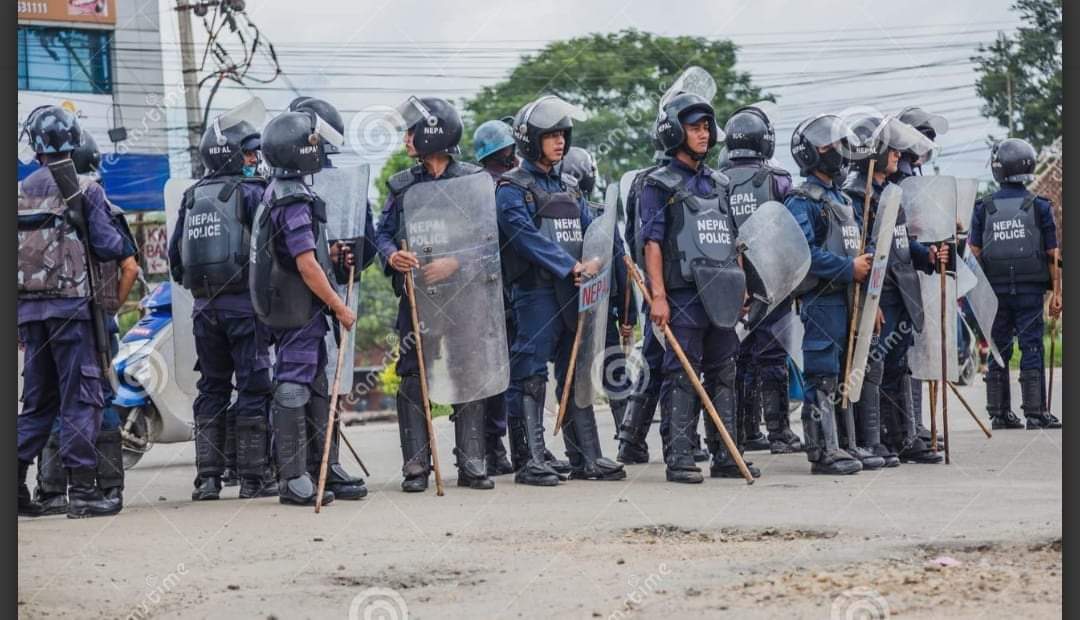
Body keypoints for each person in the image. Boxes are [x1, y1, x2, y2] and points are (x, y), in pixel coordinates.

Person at [496, 95, 627, 486]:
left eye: (562, 135)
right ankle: (532, 459)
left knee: (576, 370)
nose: (559, 143)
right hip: (535, 295)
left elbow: (592, 230)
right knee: (531, 374)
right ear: (530, 139)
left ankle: (586, 456)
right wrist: (570, 265)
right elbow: (526, 239)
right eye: (550, 135)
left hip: (575, 294)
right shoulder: (511, 188)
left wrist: (601, 257)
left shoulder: (569, 188)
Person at [375, 96, 499, 492]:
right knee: (413, 375)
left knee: (469, 371)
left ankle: (472, 462)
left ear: (433, 134)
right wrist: (392, 254)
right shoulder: (401, 185)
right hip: (417, 296)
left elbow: (490, 241)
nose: (406, 139)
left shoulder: (473, 181)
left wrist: (456, 263)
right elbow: (380, 233)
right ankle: (416, 466)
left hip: (465, 297)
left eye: (412, 131)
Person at [637, 91, 756, 483]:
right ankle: (680, 457)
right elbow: (651, 243)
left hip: (722, 293)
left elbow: (733, 238)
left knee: (724, 371)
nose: (703, 134)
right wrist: (657, 296)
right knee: (681, 376)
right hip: (683, 294)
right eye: (694, 128)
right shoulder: (657, 183)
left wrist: (740, 287)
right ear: (675, 132)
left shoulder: (720, 183)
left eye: (706, 127)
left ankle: (726, 454)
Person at [18, 105, 130, 517]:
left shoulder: (17, 190)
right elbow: (109, 248)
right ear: (75, 140)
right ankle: (82, 490)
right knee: (80, 401)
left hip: (28, 315)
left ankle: (14, 488)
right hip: (72, 311)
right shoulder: (86, 189)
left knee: (36, 405)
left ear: (35, 145)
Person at [249, 103, 358, 507]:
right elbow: (305, 263)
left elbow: (304, 253)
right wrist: (339, 306)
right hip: (299, 310)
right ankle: (294, 478)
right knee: (294, 386)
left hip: (289, 308)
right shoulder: (293, 198)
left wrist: (331, 252)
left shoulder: (276, 191)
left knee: (314, 386)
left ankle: (320, 468)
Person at [168, 108, 278, 502]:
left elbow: (175, 261)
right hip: (246, 309)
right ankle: (253, 478)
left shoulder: (192, 196)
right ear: (231, 154)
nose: (254, 160)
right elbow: (270, 251)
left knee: (211, 389)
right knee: (254, 386)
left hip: (203, 311)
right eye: (248, 154)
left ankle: (208, 480)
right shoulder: (254, 192)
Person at [841, 116, 946, 467]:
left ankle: (905, 437)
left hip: (902, 292)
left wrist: (927, 255)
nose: (898, 154)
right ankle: (876, 438)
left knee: (898, 366)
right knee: (874, 365)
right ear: (874, 151)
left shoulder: (891, 191)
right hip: (880, 295)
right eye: (892, 148)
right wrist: (867, 300)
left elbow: (898, 245)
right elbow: (859, 251)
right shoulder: (856, 194)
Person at [288, 96, 375, 501]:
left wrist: (352, 253)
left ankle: (327, 460)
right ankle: (292, 469)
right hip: (290, 300)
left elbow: (367, 238)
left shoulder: (346, 182)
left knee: (330, 384)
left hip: (333, 293)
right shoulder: (282, 183)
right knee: (293, 385)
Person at [784, 113, 868, 476]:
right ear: (811, 153)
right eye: (828, 145)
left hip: (849, 299)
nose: (837, 151)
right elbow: (804, 252)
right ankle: (823, 450)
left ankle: (847, 444)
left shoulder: (843, 200)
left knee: (846, 369)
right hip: (822, 299)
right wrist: (848, 270)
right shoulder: (802, 200)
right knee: (823, 373)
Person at [718, 103, 802, 455]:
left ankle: (744, 431)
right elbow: (791, 235)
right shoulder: (778, 180)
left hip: (728, 285)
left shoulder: (715, 180)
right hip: (773, 283)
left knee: (738, 358)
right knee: (772, 359)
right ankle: (780, 432)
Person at [968, 138, 1061, 430]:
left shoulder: (984, 207)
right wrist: (1058, 293)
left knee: (998, 347)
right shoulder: (1039, 207)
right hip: (1031, 291)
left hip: (994, 292)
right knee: (1032, 346)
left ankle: (999, 414)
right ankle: (1036, 413)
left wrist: (978, 296)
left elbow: (973, 255)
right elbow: (1053, 254)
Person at [560, 146, 637, 435]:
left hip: (571, 306)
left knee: (573, 371)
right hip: (601, 305)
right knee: (613, 371)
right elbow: (621, 266)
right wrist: (628, 316)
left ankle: (586, 443)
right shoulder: (600, 216)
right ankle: (628, 435)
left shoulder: (556, 216)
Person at [472, 118, 520, 476]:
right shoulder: (494, 187)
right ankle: (496, 445)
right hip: (495, 292)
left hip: (500, 290)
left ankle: (498, 445)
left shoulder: (480, 184)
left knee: (499, 374)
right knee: (500, 374)